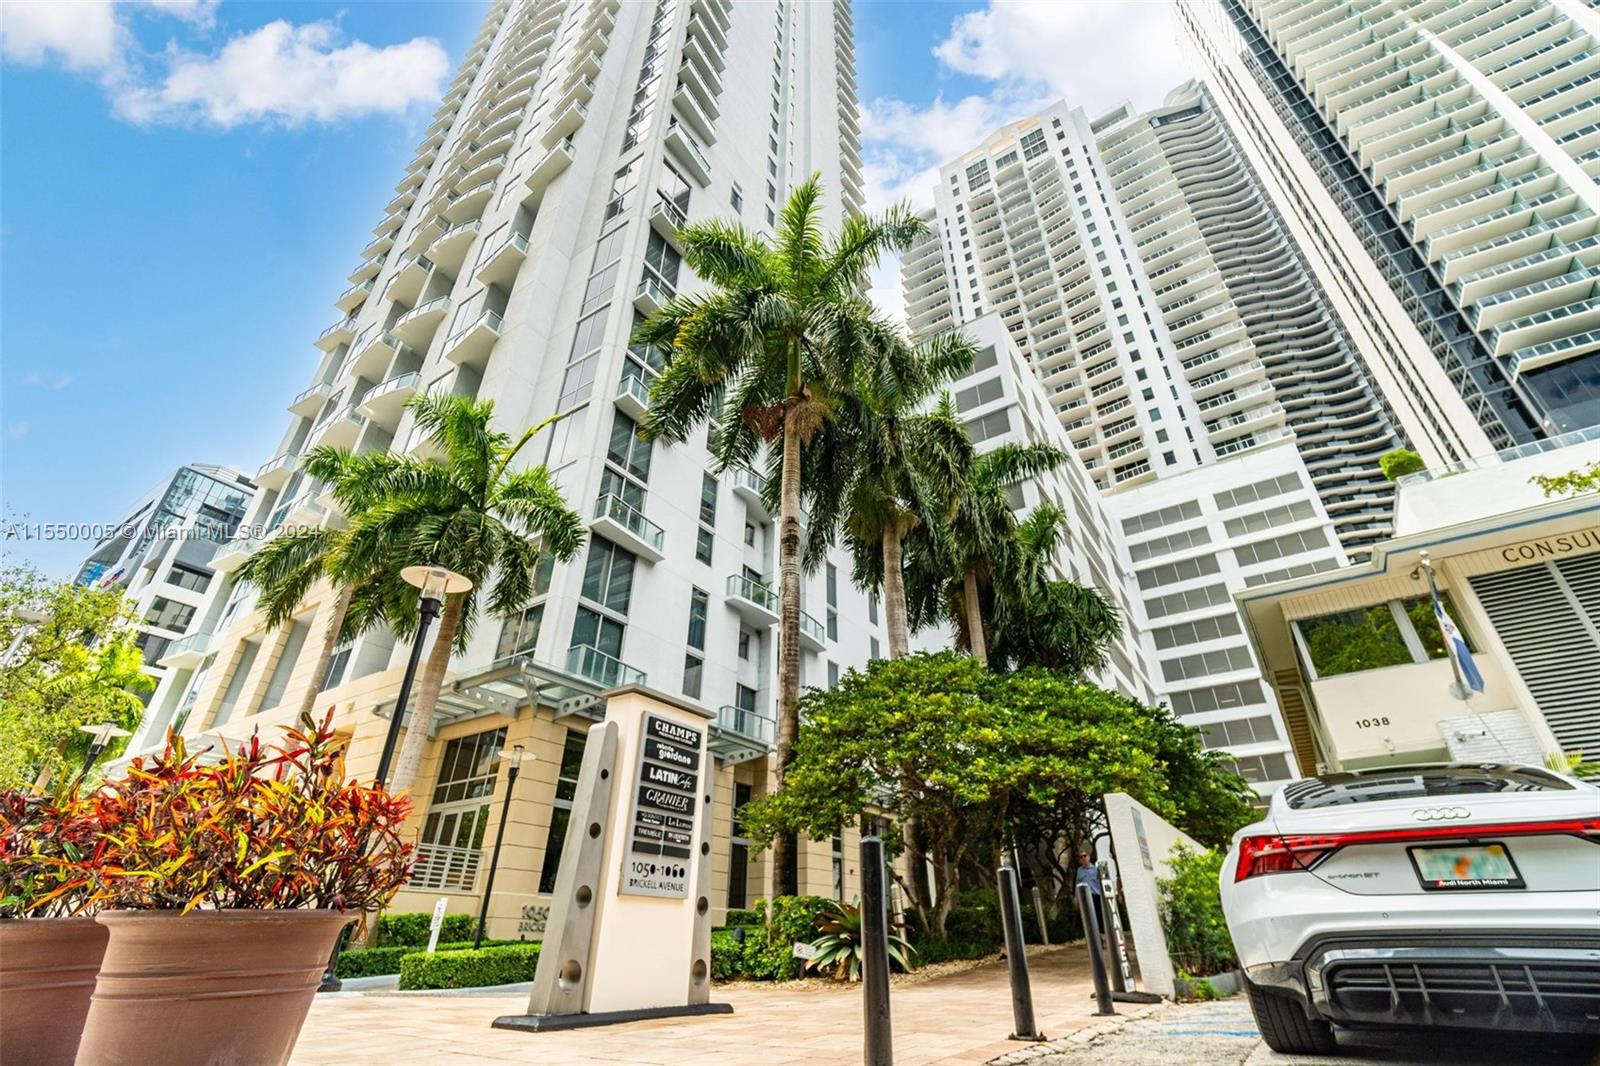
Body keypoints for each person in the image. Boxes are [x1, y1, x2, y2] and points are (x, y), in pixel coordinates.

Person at [1075, 849, 1106, 936]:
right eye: (1081, 857)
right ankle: (1094, 935)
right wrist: (1076, 898)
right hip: (1085, 897)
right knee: (1089, 917)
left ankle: (1102, 935)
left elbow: (1101, 883)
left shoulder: (1096, 869)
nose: (1083, 858)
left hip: (1096, 896)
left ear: (1088, 857)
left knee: (1099, 916)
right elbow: (1077, 884)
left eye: (1085, 856)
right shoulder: (1079, 871)